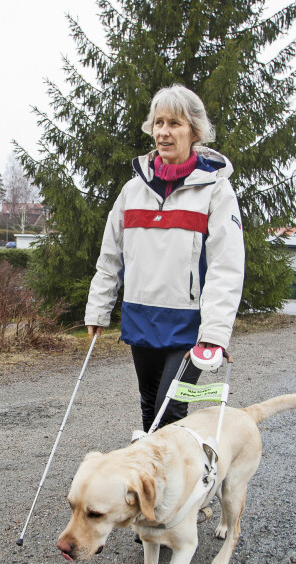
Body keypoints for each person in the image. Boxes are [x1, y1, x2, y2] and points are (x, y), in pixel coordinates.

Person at [85, 84, 245, 432]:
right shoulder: (132, 190)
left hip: (189, 325)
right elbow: (111, 254)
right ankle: (156, 483)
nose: (163, 132)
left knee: (168, 413)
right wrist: (98, 308)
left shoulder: (217, 191)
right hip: (141, 316)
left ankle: (170, 483)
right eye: (159, 122)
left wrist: (215, 334)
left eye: (175, 123)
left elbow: (226, 267)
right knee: (148, 409)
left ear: (194, 131)